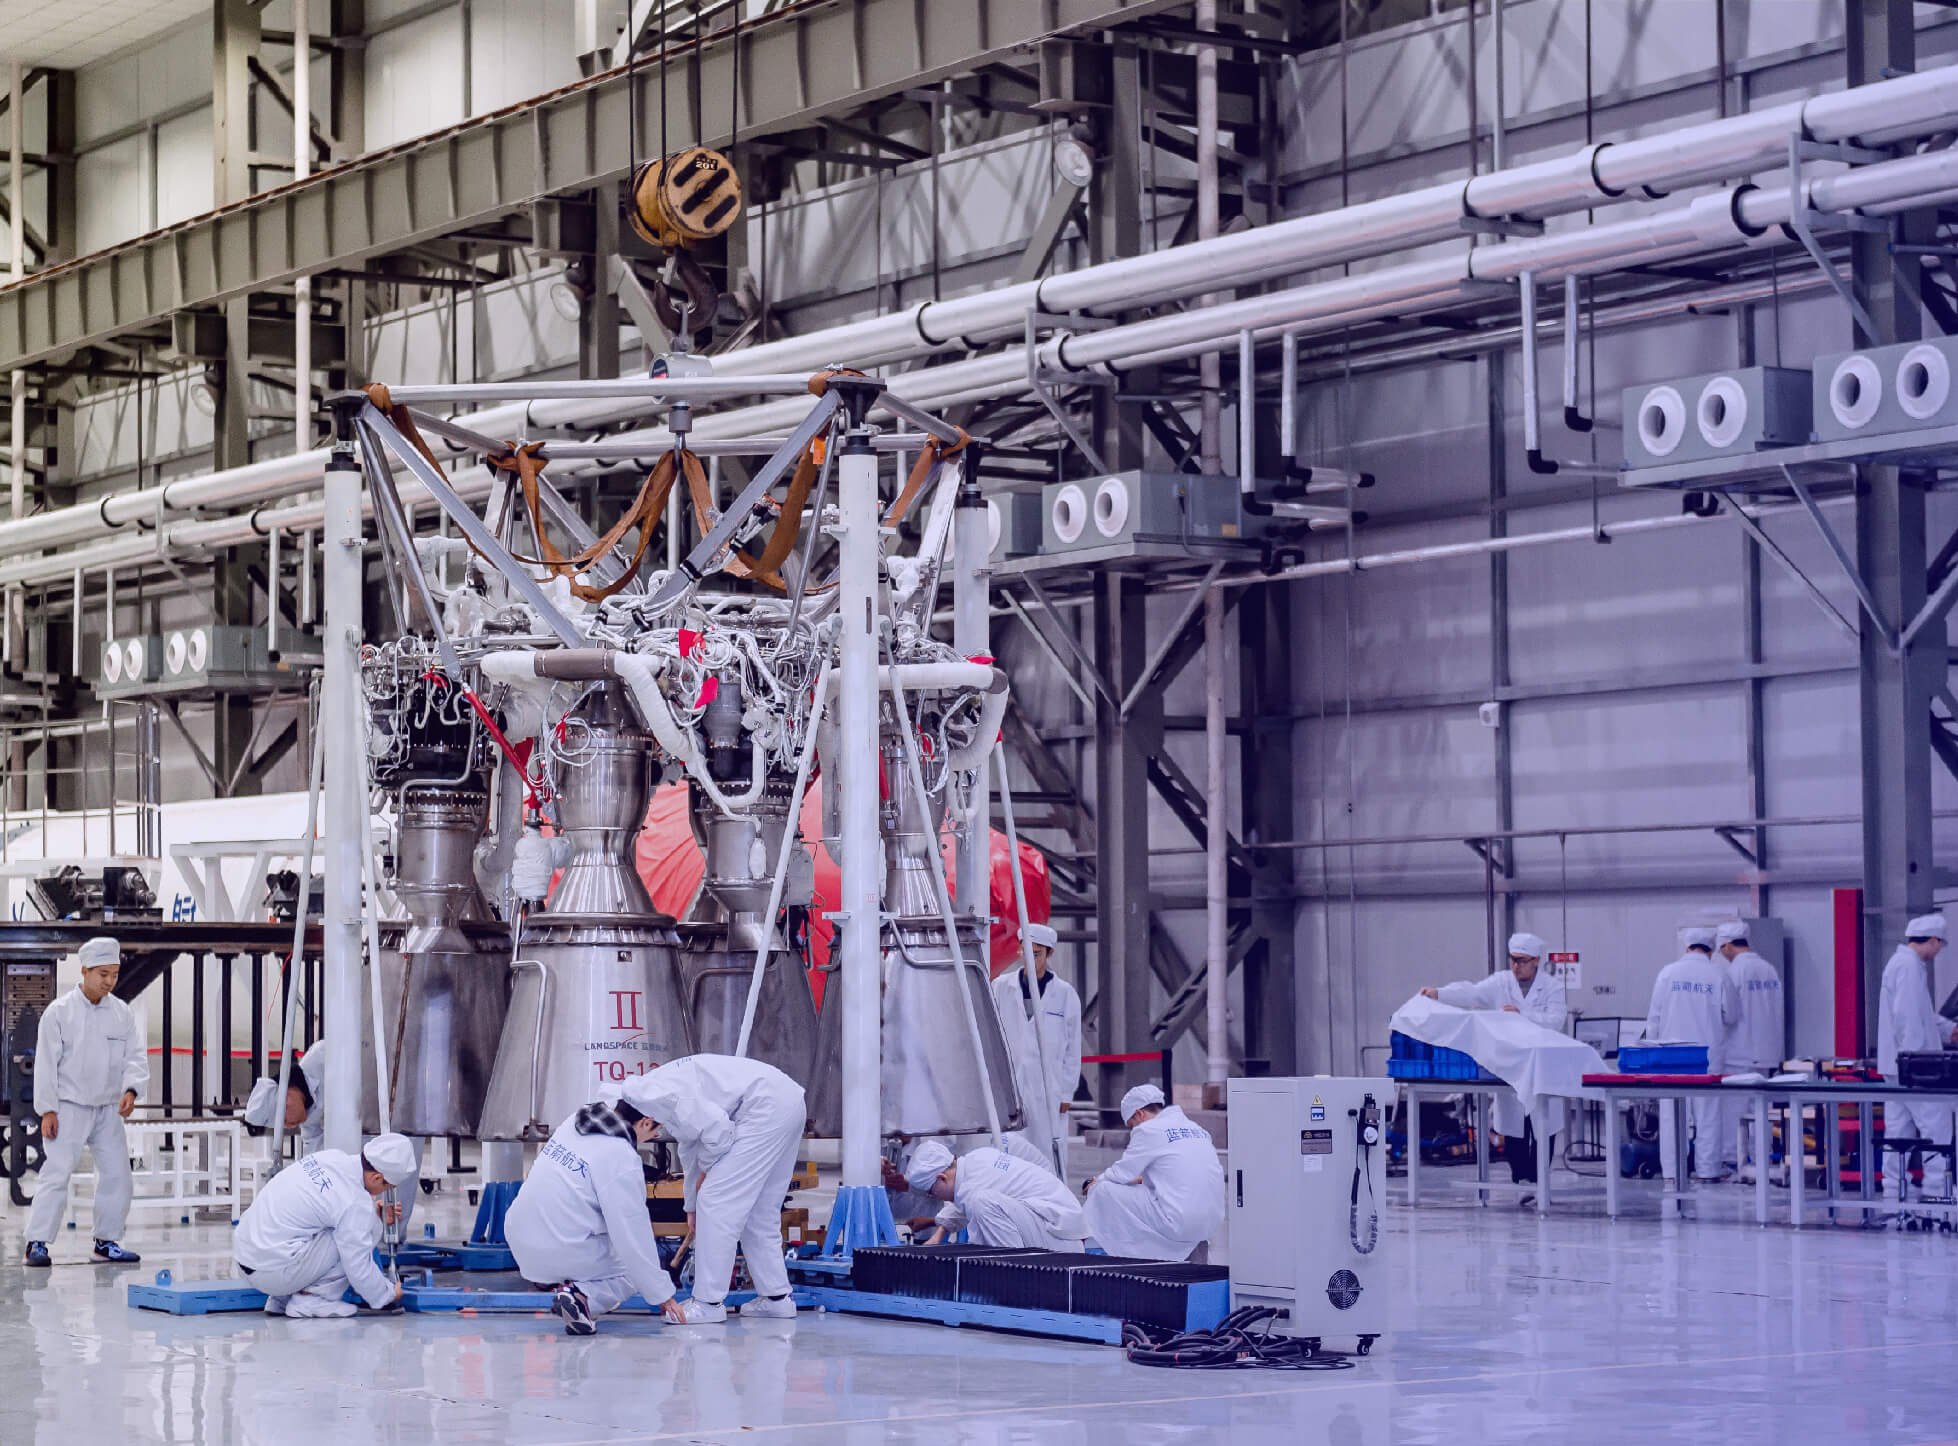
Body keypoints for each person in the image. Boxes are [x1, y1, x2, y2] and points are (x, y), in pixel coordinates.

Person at [621, 1054, 806, 1325]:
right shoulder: (659, 1095)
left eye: (639, 1136)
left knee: (716, 1201)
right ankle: (776, 1299)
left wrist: (706, 1178)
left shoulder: (671, 1098)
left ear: (645, 1122)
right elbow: (690, 1149)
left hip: (763, 1108)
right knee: (759, 1210)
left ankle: (707, 1303)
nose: (650, 1138)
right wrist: (691, 1207)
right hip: (786, 1100)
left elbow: (719, 1133)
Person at [504, 1095, 677, 1335]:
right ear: (646, 1122)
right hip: (561, 1249)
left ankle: (558, 1282)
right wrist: (662, 1295)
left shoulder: (575, 1121)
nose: (654, 1137)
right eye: (655, 1131)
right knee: (633, 1271)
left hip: (519, 1238)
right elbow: (631, 1234)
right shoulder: (621, 1157)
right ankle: (582, 1297)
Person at [22, 937, 148, 1267]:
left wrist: (131, 1090)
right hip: (69, 1106)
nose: (109, 981)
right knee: (57, 1173)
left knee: (118, 1175)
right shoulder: (59, 1013)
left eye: (114, 974)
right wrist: (48, 1110)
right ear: (84, 970)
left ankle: (105, 1243)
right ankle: (36, 1243)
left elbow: (135, 1057)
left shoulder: (121, 1013)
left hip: (107, 1109)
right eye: (103, 974)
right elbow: (46, 1065)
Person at [1418, 932, 1568, 1186]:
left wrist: (1522, 1014)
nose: (1516, 966)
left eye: (1522, 960)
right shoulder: (1501, 982)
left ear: (1536, 961)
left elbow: (1556, 1021)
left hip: (1542, 1066)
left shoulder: (1552, 987)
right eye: (1513, 959)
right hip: (1511, 1067)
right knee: (1514, 1129)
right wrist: (1439, 993)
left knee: (1542, 1128)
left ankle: (1540, 1184)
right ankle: (1521, 1182)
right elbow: (1471, 993)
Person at [233, 1133, 417, 1317]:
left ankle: (280, 1299)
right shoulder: (354, 1202)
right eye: (387, 1187)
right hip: (272, 1272)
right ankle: (312, 1301)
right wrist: (387, 1294)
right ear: (376, 1178)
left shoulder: (332, 1158)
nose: (384, 1192)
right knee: (358, 1236)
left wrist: (373, 1214)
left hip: (247, 1257)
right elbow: (357, 1265)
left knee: (331, 1226)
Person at [1082, 1084, 1225, 1262]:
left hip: (1180, 1222)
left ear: (1139, 1113)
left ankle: (1112, 1255)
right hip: (1210, 1223)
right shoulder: (1196, 1129)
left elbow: (1121, 1174)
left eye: (1132, 1124)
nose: (1133, 1130)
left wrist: (1096, 1182)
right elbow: (1174, 1172)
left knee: (1102, 1191)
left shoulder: (1148, 1130)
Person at [1644, 926, 1740, 1184]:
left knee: (1671, 1117)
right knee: (1708, 1116)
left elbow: (1653, 1019)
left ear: (1687, 947)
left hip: (1671, 1058)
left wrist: (1652, 1054)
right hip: (1706, 1058)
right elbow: (1731, 1016)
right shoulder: (1719, 975)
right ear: (1711, 950)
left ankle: (1673, 1171)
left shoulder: (1667, 973)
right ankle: (1708, 1170)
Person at [1878, 913, 1958, 1206]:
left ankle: (1893, 1185)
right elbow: (1908, 1019)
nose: (1938, 952)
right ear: (1934, 940)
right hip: (1913, 1068)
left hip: (1896, 1065)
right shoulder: (1909, 967)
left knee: (1898, 1128)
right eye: (1940, 945)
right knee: (1936, 1123)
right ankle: (1937, 1186)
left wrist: (1949, 1030)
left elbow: (1920, 1013)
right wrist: (1918, 1061)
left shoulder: (1901, 964)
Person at [990, 922, 1082, 1175]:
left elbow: (1073, 1049)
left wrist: (1066, 1093)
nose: (1030, 959)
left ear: (1049, 953)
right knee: (1009, 1146)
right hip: (1011, 1084)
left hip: (1048, 1088)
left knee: (1048, 1146)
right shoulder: (1001, 987)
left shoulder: (1064, 994)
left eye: (1037, 953)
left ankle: (1053, 1190)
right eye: (1025, 952)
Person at [911, 1137, 1089, 1251]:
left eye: (931, 1192)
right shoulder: (977, 1160)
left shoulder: (973, 1190)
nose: (935, 1197)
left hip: (1061, 1239)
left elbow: (971, 1201)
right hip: (1062, 1232)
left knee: (982, 1203)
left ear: (941, 1178)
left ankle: (1010, 1273)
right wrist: (939, 1234)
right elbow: (961, 1204)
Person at [1715, 922, 1786, 1175]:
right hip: (1768, 1052)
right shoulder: (1769, 969)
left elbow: (1728, 1015)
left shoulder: (1733, 972)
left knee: (1734, 1113)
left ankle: (1733, 1161)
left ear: (1726, 945)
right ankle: (1761, 1161)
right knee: (1761, 1111)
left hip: (1739, 1053)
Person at [241, 1037, 327, 1156]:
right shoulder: (309, 1123)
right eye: (283, 1125)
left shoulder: (320, 1057)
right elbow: (315, 1152)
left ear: (286, 1094)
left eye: (284, 1119)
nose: (289, 1126)